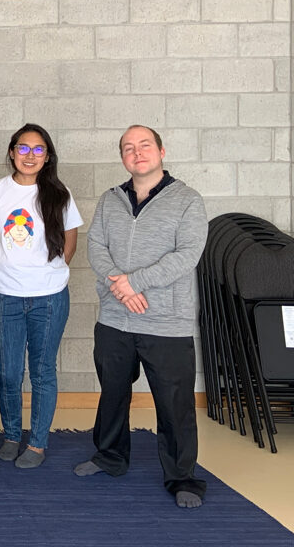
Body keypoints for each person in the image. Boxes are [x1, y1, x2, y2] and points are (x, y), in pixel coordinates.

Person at [74, 125, 208, 509]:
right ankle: (110, 457)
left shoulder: (187, 200)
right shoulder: (110, 199)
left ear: (161, 151)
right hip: (115, 321)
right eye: (129, 148)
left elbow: (187, 255)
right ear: (123, 158)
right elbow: (96, 246)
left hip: (166, 322)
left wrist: (136, 282)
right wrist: (120, 288)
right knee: (113, 395)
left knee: (174, 403)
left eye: (144, 145)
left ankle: (182, 477)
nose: (137, 152)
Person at [0, 123, 83, 469]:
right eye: (23, 148)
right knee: (8, 372)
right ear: (12, 151)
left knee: (41, 371)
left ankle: (36, 442)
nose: (30, 155)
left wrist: (46, 274)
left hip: (49, 298)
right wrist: (10, 269)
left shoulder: (59, 193)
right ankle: (11, 433)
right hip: (6, 296)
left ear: (47, 156)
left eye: (38, 150)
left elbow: (69, 241)